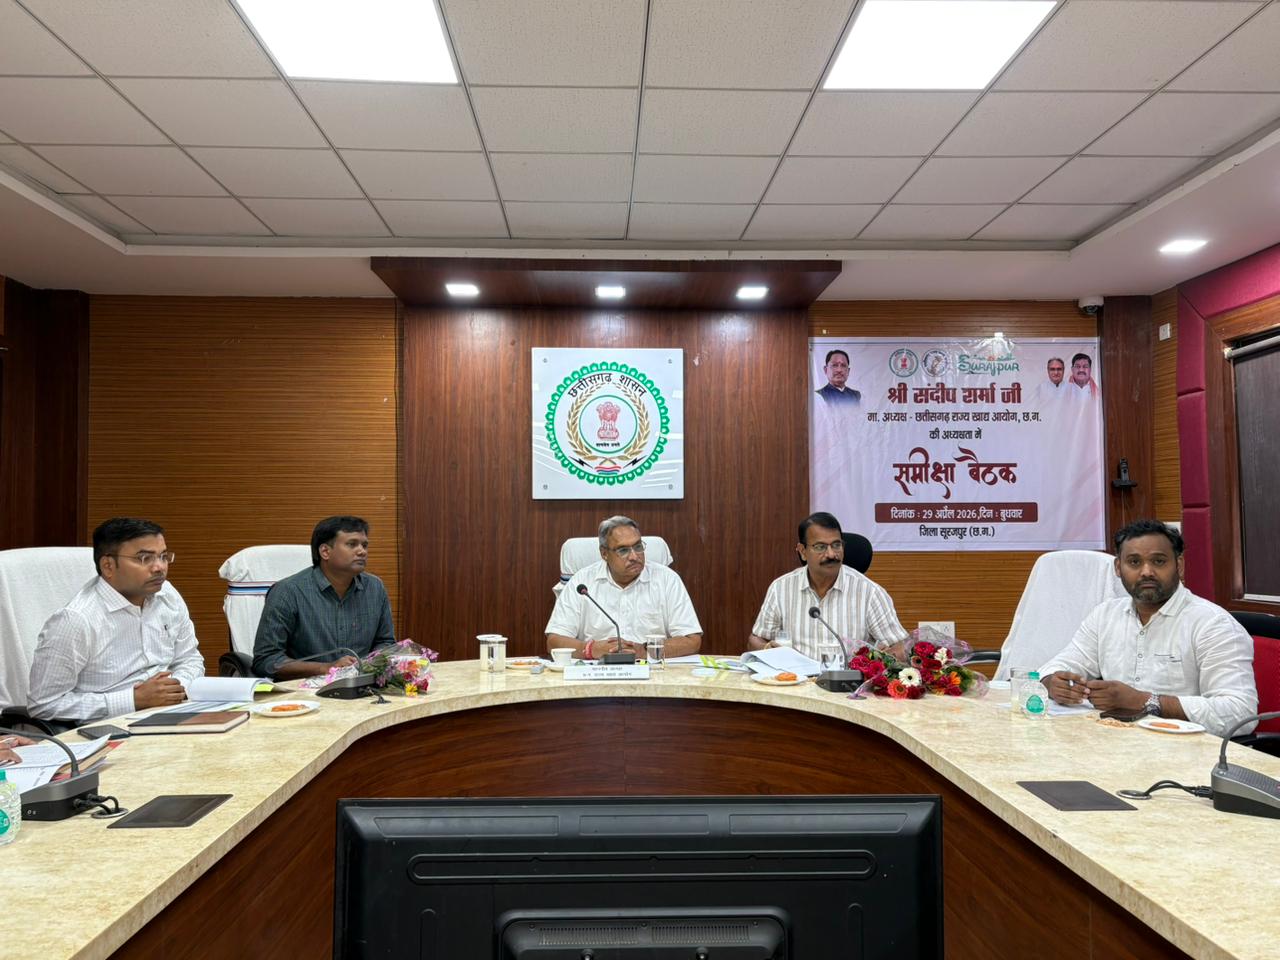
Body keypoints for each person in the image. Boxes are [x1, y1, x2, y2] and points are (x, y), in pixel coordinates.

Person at [1040, 519, 1257, 737]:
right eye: (1134, 562)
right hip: (1114, 740)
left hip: (1185, 748)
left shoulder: (1213, 624)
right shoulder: (1105, 616)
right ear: (1118, 568)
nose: (1146, 572)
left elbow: (1239, 713)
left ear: (1179, 565)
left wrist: (1144, 701)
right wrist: (1052, 683)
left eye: (1159, 561)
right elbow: (1059, 665)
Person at [27, 517, 204, 723]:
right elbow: (44, 704)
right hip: (111, 728)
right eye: (144, 558)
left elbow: (190, 658)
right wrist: (133, 700)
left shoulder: (167, 595)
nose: (159, 567)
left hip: (174, 714)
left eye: (163, 557)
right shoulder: (75, 621)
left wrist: (175, 687)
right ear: (108, 566)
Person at [749, 512, 908, 661]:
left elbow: (900, 648)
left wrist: (873, 661)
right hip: (795, 678)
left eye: (836, 545)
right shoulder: (781, 588)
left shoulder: (869, 592)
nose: (831, 554)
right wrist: (767, 649)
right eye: (820, 547)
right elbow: (756, 640)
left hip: (849, 680)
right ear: (803, 551)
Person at [252, 516, 395, 679]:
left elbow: (386, 642)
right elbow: (267, 660)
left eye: (364, 545)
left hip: (363, 685)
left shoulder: (375, 588)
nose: (362, 551)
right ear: (325, 552)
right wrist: (325, 668)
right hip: (305, 688)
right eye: (352, 544)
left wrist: (370, 664)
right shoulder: (288, 592)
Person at [546, 516, 702, 659]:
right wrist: (591, 649)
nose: (634, 556)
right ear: (604, 554)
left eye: (638, 546)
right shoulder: (582, 582)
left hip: (651, 670)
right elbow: (553, 642)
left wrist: (645, 650)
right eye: (623, 550)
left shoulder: (667, 579)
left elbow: (692, 641)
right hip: (597, 671)